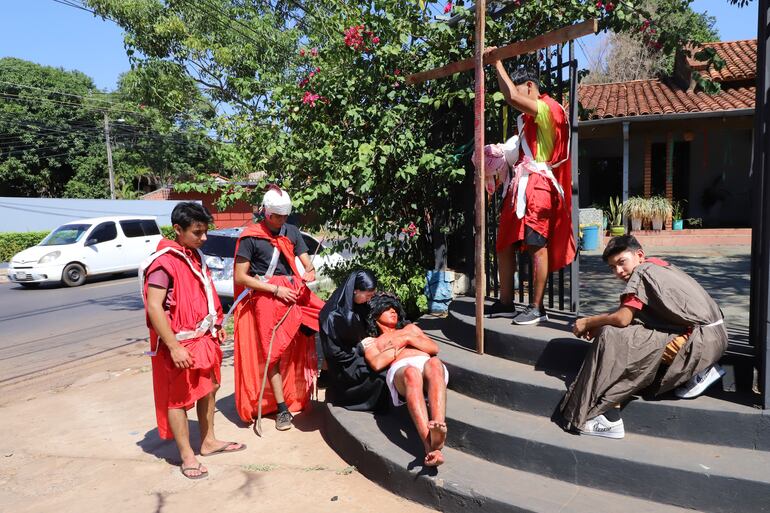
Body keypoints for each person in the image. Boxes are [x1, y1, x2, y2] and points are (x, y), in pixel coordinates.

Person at [558, 235, 727, 439]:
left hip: (700, 342)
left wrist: (589, 322)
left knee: (613, 338)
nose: (618, 271)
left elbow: (622, 319)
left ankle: (609, 416)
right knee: (620, 334)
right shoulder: (658, 265)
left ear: (639, 255)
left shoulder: (641, 274)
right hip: (715, 336)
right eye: (612, 267)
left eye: (621, 262)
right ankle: (698, 372)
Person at [141, 202, 245, 480]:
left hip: (205, 338)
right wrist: (173, 346)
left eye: (205, 231)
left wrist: (217, 323)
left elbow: (205, 292)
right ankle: (187, 455)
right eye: (198, 232)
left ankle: (208, 441)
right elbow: (154, 307)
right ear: (178, 229)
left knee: (209, 388)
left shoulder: (194, 256)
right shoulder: (163, 263)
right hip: (181, 344)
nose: (204, 238)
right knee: (178, 400)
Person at [482, 59, 576, 325]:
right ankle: (506, 302)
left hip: (539, 183)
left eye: (520, 89)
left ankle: (537, 308)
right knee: (504, 243)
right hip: (521, 183)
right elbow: (512, 95)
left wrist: (496, 63)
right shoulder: (527, 118)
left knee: (536, 244)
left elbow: (510, 96)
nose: (515, 97)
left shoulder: (549, 109)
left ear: (531, 86)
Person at [232, 186, 325, 431]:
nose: (281, 221)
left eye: (285, 216)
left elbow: (305, 261)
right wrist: (275, 290)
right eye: (277, 217)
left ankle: (323, 381)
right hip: (267, 297)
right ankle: (282, 409)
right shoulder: (251, 236)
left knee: (326, 319)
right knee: (272, 353)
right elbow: (241, 277)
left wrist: (310, 270)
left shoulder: (291, 231)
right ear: (265, 212)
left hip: (295, 291)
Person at [362, 293, 449, 466]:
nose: (393, 311)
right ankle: (429, 446)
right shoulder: (373, 341)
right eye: (387, 308)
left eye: (394, 308)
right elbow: (377, 363)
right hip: (401, 372)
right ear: (376, 314)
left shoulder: (411, 329)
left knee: (435, 362)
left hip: (426, 364)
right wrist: (403, 344)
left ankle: (438, 427)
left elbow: (434, 348)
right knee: (411, 373)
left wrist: (406, 338)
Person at [319, 270, 391, 411]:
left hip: (358, 355)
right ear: (355, 291)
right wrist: (359, 348)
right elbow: (333, 354)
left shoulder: (359, 305)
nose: (370, 299)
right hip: (343, 366)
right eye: (368, 295)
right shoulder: (331, 316)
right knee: (381, 375)